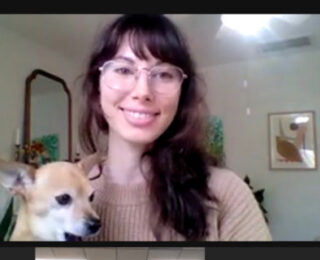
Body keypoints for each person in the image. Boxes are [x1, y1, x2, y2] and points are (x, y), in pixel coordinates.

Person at [78, 14, 271, 241]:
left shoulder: (226, 193)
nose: (143, 92)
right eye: (123, 70)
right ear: (97, 85)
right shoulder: (55, 188)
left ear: (182, 93)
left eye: (163, 74)